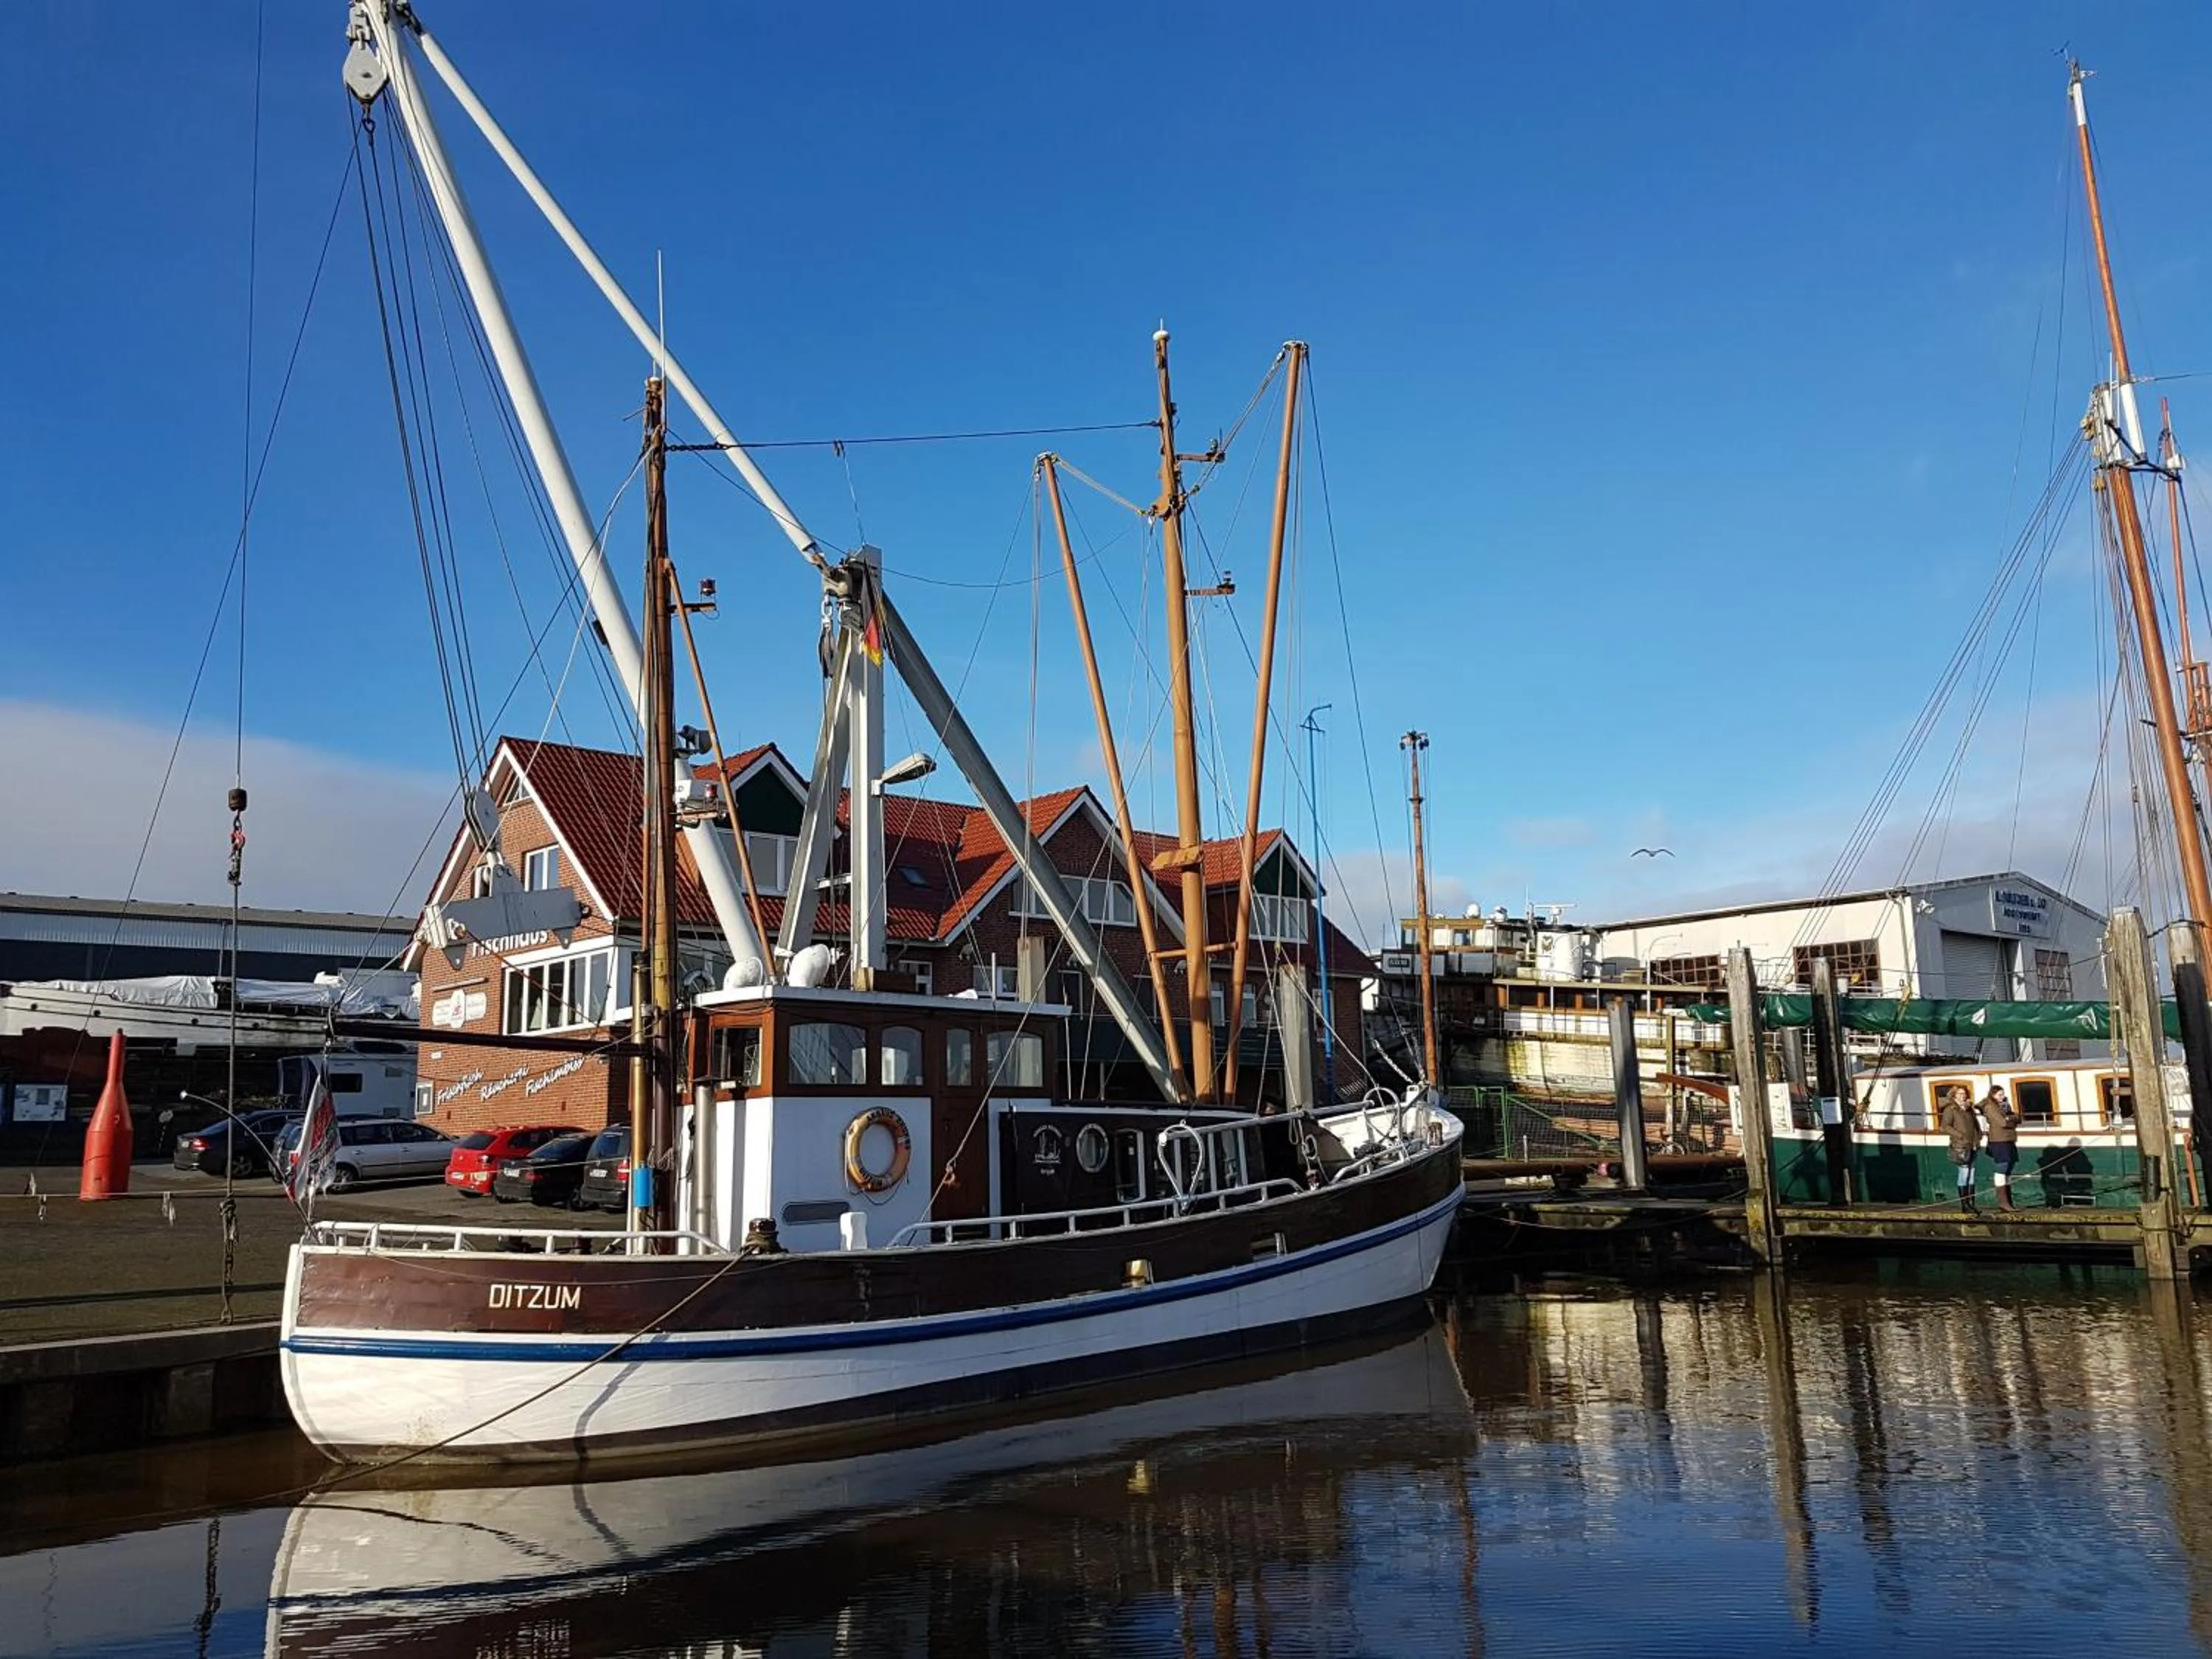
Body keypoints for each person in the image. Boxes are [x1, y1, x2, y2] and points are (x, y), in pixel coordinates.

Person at [1940, 1083, 1983, 1213]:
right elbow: (1945, 1126)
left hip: (1973, 1145)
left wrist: (1979, 1136)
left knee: (1972, 1174)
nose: (1963, 1096)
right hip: (1960, 1146)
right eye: (1960, 1094)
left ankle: (1971, 1203)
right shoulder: (1950, 1109)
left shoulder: (1969, 1109)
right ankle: (1964, 1205)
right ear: (1954, 1095)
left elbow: (1975, 1125)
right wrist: (1960, 1136)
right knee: (1964, 1174)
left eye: (1964, 1094)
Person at [1979, 1084, 2021, 1211]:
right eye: (2000, 1095)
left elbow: (2018, 1118)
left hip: (2009, 1139)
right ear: (1993, 1095)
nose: (2003, 1097)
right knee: (2002, 1168)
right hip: (1999, 1140)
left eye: (2003, 1094)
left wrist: (2010, 1118)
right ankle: (2003, 1202)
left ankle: (2008, 1201)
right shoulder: (1991, 1107)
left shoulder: (2005, 1106)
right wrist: (2010, 1119)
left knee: (2009, 1168)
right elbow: (2002, 1123)